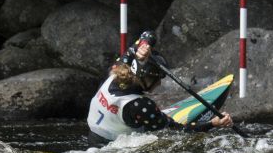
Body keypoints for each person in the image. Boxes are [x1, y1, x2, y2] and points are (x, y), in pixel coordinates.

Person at [87, 31, 233, 143]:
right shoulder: (140, 105)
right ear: (146, 78)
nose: (159, 83)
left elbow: (147, 34)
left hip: (92, 138)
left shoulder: (116, 69)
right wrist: (212, 124)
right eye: (157, 79)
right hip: (112, 148)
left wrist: (144, 45)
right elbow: (178, 132)